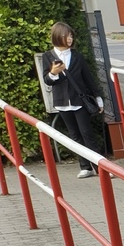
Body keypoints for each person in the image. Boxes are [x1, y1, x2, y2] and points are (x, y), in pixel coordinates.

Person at [42, 21, 105, 179]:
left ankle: (100, 167)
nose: (69, 39)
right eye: (65, 36)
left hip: (80, 101)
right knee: (74, 135)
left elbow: (88, 78)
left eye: (71, 36)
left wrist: (98, 98)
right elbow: (47, 80)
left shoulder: (77, 56)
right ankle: (85, 167)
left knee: (87, 133)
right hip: (62, 102)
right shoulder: (48, 56)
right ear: (57, 36)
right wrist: (53, 73)